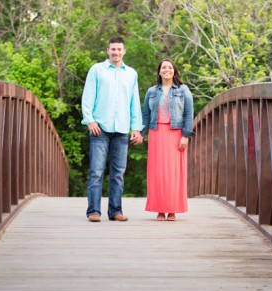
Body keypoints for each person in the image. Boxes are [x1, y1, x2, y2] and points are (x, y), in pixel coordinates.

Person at [81, 36, 144, 222]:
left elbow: (135, 103)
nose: (116, 52)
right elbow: (88, 96)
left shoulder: (131, 74)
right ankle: (94, 211)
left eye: (119, 49)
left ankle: (115, 211)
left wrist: (137, 128)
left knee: (118, 173)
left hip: (122, 129)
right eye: (112, 49)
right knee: (96, 171)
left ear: (124, 51)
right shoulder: (96, 70)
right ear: (108, 51)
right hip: (99, 128)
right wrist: (89, 120)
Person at [142, 58, 194, 221]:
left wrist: (185, 135)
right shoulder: (151, 91)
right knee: (157, 172)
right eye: (163, 67)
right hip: (156, 133)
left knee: (173, 173)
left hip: (175, 133)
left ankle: (172, 210)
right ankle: (159, 210)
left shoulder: (182, 89)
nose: (166, 70)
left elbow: (188, 113)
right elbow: (145, 115)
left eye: (169, 68)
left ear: (174, 71)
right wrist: (140, 133)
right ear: (159, 71)